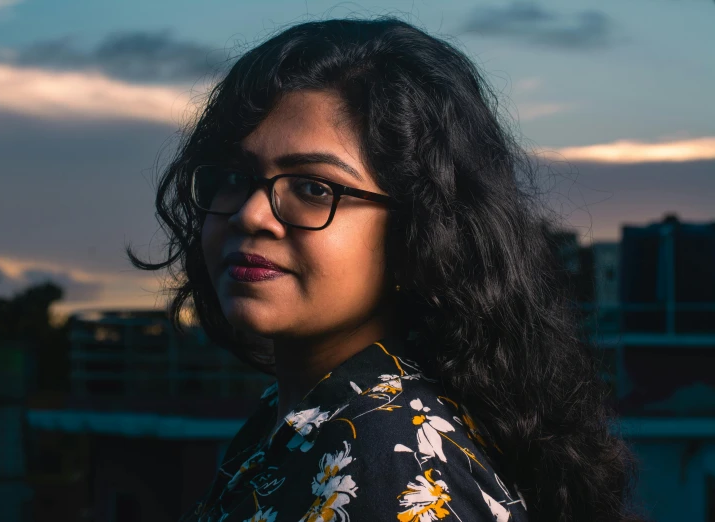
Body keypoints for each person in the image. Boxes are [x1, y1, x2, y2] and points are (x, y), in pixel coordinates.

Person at [128, 17, 641, 522]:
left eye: (313, 188)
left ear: (419, 233)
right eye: (236, 177)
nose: (251, 214)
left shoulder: (390, 464)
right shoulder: (306, 420)